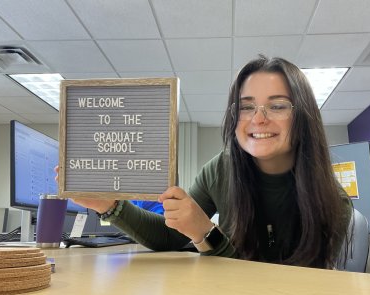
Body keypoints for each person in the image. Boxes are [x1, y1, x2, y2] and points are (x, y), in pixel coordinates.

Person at [58, 55, 352, 269]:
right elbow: (168, 236)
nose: (258, 118)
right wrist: (109, 205)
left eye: (277, 106)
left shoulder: (333, 202)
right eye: (246, 107)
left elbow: (287, 292)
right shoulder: (221, 169)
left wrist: (206, 234)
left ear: (303, 116)